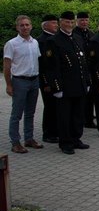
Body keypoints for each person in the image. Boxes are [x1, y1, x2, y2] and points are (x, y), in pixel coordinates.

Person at [45, 11, 91, 154]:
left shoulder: (77, 38)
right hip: (65, 86)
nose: (69, 25)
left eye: (71, 22)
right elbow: (52, 67)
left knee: (78, 115)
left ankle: (76, 138)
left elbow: (84, 62)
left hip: (79, 84)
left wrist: (87, 81)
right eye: (66, 22)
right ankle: (65, 142)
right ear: (60, 23)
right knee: (65, 116)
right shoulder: (53, 41)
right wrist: (57, 88)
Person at [3, 15, 43, 153]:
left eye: (27, 25)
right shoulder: (12, 44)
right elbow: (7, 67)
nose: (25, 27)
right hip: (20, 81)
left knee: (30, 112)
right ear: (17, 27)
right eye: (22, 25)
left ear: (31, 26)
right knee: (17, 113)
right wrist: (9, 85)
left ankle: (29, 138)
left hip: (34, 80)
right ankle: (15, 142)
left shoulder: (35, 42)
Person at [37, 14, 59, 143]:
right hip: (47, 80)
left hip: (57, 79)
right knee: (50, 107)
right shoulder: (41, 40)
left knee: (57, 106)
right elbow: (42, 64)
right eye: (53, 23)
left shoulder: (55, 38)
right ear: (45, 25)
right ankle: (48, 133)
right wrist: (45, 82)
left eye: (56, 23)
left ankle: (56, 130)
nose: (56, 25)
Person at [74, 11, 96, 129]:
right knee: (81, 97)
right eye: (81, 20)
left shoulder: (91, 34)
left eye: (86, 20)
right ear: (77, 21)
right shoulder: (73, 34)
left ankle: (89, 119)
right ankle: (80, 119)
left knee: (90, 96)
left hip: (91, 69)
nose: (84, 22)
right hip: (80, 70)